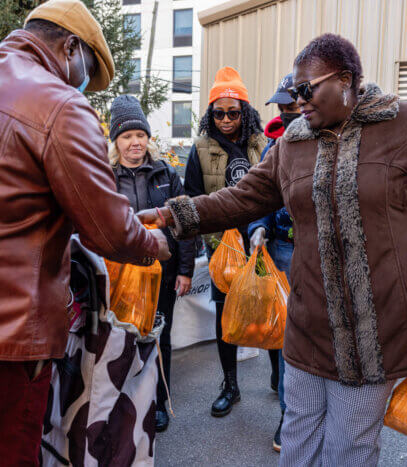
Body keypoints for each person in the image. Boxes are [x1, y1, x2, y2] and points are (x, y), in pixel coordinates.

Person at [141, 34, 407, 465]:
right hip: (310, 317)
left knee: (349, 444)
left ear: (345, 80)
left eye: (307, 89)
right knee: (298, 430)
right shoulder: (293, 142)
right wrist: (170, 214)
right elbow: (242, 198)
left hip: (378, 322)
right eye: (293, 92)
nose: (298, 100)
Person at [0, 1, 170, 465]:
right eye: (87, 72)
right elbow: (108, 231)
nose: (83, 85)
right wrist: (154, 243)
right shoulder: (59, 104)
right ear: (70, 48)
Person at [183, 66, 271, 417]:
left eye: (233, 112)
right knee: (225, 315)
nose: (225, 119)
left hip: (260, 242)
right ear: (210, 114)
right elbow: (191, 198)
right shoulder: (201, 148)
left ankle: (280, 380)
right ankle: (230, 384)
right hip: (222, 247)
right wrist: (212, 237)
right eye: (218, 113)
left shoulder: (261, 144)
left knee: (268, 305)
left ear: (245, 112)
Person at [108, 95, 196, 433]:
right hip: (119, 277)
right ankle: (121, 401)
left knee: (160, 337)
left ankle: (158, 401)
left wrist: (186, 269)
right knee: (120, 340)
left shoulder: (166, 174)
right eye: (127, 136)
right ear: (116, 141)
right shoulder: (106, 176)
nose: (135, 143)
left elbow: (184, 224)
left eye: (140, 135)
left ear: (148, 138)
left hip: (163, 275)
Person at [248, 72, 300, 452]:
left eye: (292, 101)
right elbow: (258, 195)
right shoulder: (274, 148)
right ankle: (289, 414)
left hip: (326, 255)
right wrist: (258, 227)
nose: (285, 108)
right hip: (283, 250)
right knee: (287, 338)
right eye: (281, 102)